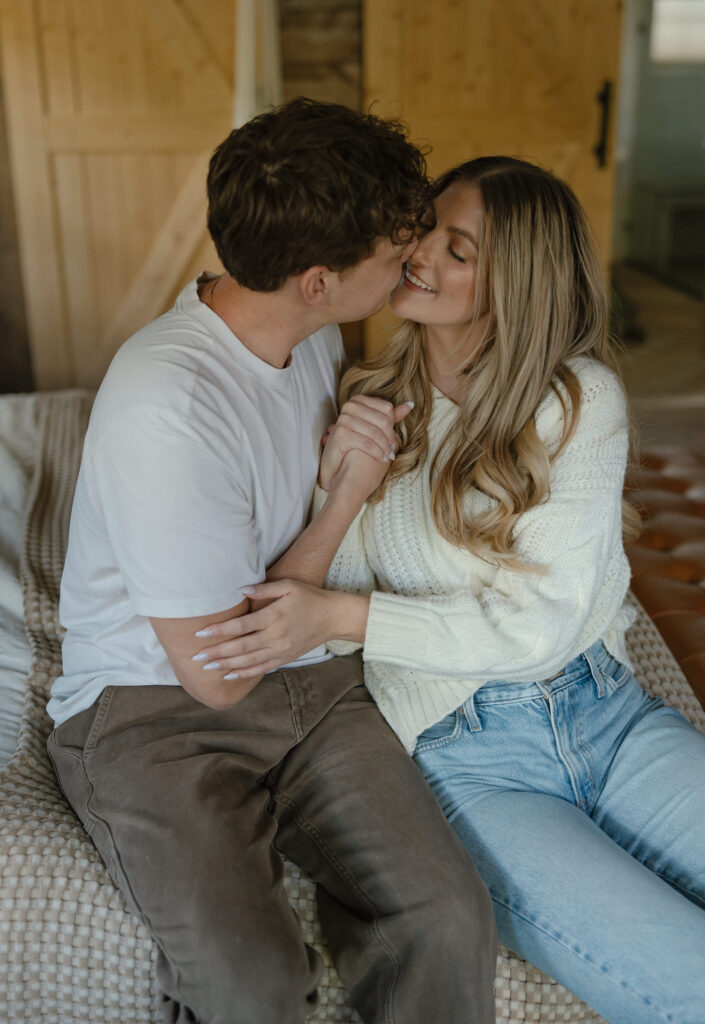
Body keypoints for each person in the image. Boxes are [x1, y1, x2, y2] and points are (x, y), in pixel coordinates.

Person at [196, 156, 705, 1024]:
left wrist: (344, 615)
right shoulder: (367, 401)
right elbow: (310, 606)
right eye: (426, 227)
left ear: (516, 283)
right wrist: (344, 487)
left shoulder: (578, 403)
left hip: (607, 716)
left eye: (456, 247)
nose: (418, 251)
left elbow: (536, 625)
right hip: (465, 761)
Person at [46, 100, 498, 1024]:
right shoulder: (164, 407)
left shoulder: (311, 334)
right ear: (319, 279)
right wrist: (347, 494)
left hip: (312, 681)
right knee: (250, 987)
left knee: (445, 916)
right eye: (394, 251)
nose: (410, 261)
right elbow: (213, 676)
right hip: (155, 712)